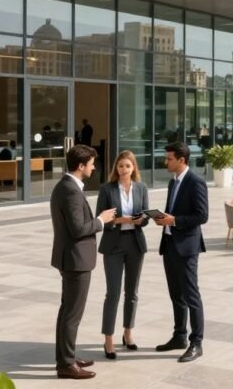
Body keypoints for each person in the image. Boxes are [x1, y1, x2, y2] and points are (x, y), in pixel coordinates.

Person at [50, 145, 117, 379]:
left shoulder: (66, 186)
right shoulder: (70, 190)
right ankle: (66, 365)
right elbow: (78, 229)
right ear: (80, 166)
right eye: (91, 164)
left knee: (67, 312)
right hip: (75, 260)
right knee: (72, 315)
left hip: (72, 258)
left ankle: (66, 357)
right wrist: (101, 220)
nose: (94, 167)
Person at [153, 142, 208, 363]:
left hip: (186, 248)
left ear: (182, 160)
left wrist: (174, 220)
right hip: (169, 245)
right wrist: (163, 219)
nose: (165, 162)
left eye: (169, 159)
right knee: (176, 294)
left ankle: (197, 342)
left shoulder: (196, 182)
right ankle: (179, 336)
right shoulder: (173, 181)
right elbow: (173, 211)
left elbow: (202, 216)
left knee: (191, 295)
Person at [95, 151, 150, 359]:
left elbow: (145, 216)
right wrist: (123, 220)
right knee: (113, 293)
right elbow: (101, 218)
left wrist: (141, 219)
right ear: (116, 168)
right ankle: (108, 339)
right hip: (113, 245)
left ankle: (128, 332)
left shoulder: (141, 188)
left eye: (127, 166)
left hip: (135, 244)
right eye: (120, 166)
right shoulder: (107, 189)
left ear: (133, 167)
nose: (124, 169)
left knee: (132, 292)